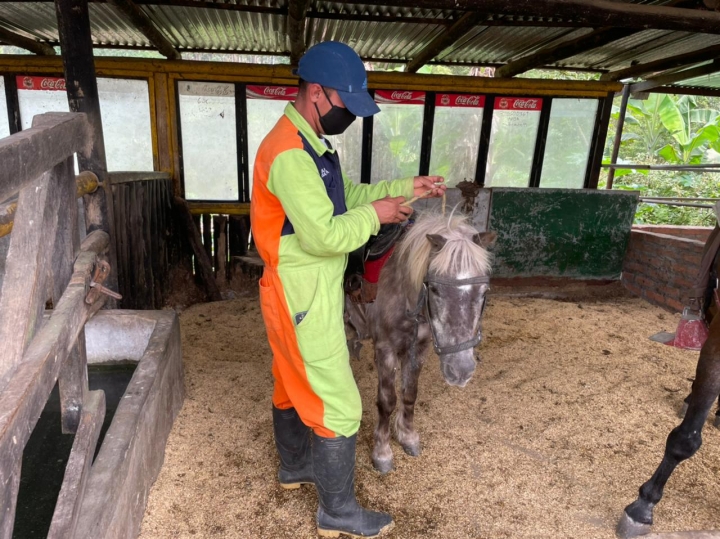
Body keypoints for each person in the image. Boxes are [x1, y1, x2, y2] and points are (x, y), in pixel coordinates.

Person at [250, 40, 446, 538]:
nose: (349, 117)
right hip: (303, 291)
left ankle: (295, 468)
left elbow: (345, 198)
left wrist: (405, 188)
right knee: (338, 403)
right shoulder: (291, 154)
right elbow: (325, 234)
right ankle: (336, 513)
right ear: (316, 92)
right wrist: (374, 216)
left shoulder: (311, 142)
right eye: (345, 105)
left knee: (290, 382)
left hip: (296, 287)